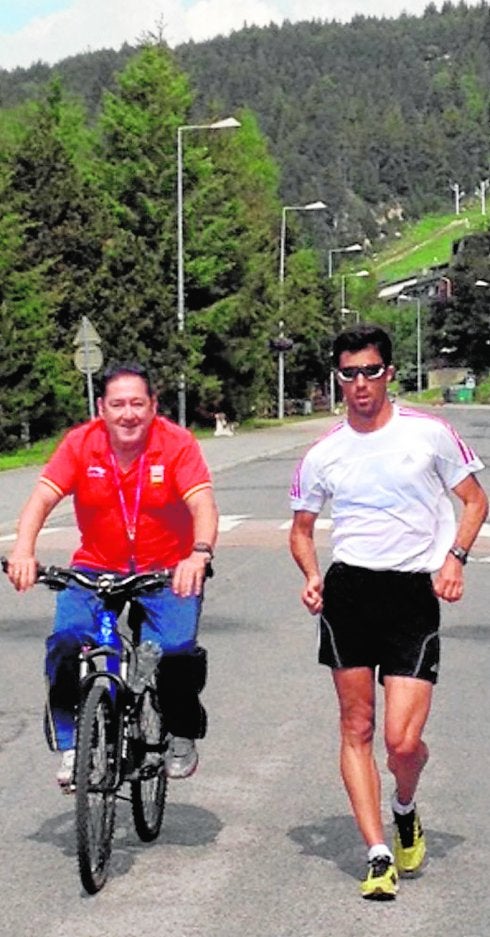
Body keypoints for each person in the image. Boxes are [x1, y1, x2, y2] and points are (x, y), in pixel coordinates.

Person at [289, 324, 488, 900]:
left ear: (389, 374)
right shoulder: (324, 453)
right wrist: (310, 575)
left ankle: (405, 805)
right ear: (338, 378)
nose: (360, 384)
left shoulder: (429, 434)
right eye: (349, 374)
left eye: (370, 371)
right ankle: (377, 853)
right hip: (349, 593)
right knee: (357, 726)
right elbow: (302, 530)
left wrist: (454, 560)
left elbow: (475, 501)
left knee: (402, 742)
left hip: (411, 596)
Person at [6, 362, 219, 790]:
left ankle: (179, 731)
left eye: (137, 403)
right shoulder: (81, 444)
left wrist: (198, 554)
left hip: (167, 569)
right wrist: (23, 551)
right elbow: (41, 500)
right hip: (96, 566)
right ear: (101, 408)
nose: (128, 414)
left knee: (176, 650)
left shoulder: (176, 443)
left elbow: (203, 506)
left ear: (153, 406)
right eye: (118, 404)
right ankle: (72, 745)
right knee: (67, 640)